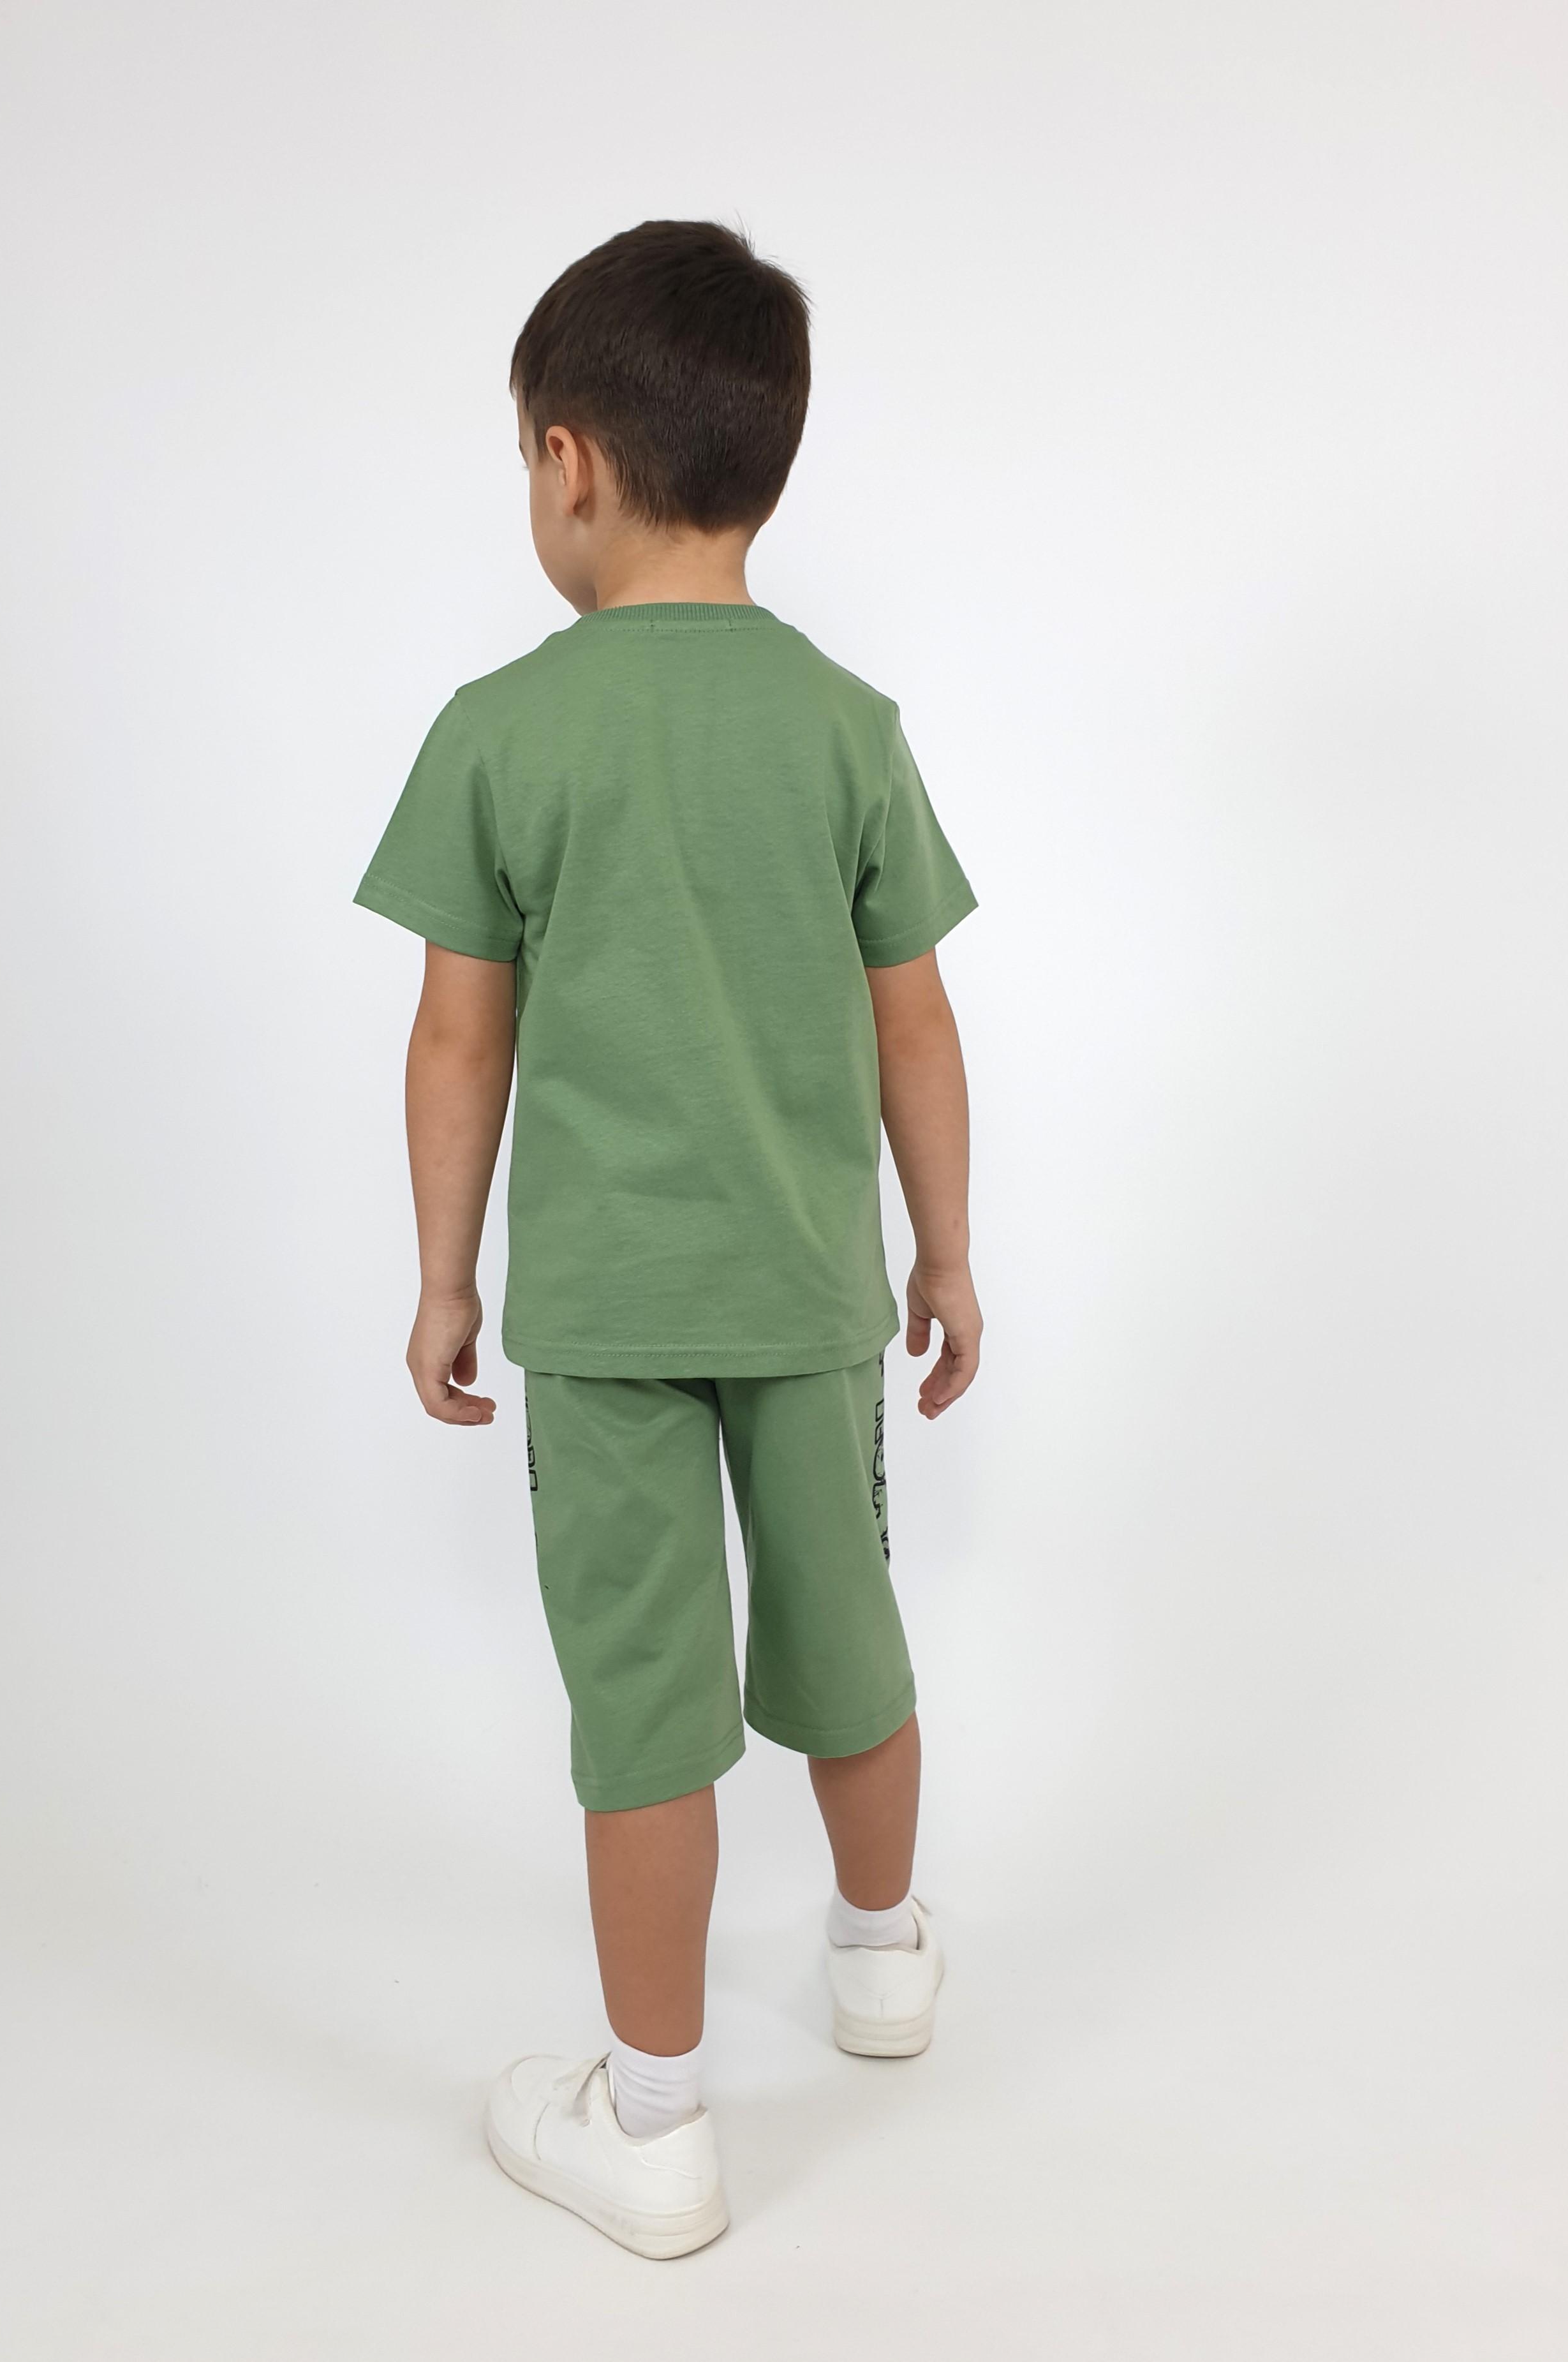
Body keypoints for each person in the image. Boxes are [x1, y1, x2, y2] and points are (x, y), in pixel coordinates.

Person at [353, 219, 981, 2260]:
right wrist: (946, 1253)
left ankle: (655, 2123)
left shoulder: (499, 729)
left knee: (645, 1708)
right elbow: (916, 1022)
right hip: (811, 1293)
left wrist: (446, 1277)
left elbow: (458, 1036)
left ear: (569, 462)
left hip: (610, 1316)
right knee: (848, 1634)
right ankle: (880, 1961)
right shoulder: (848, 724)